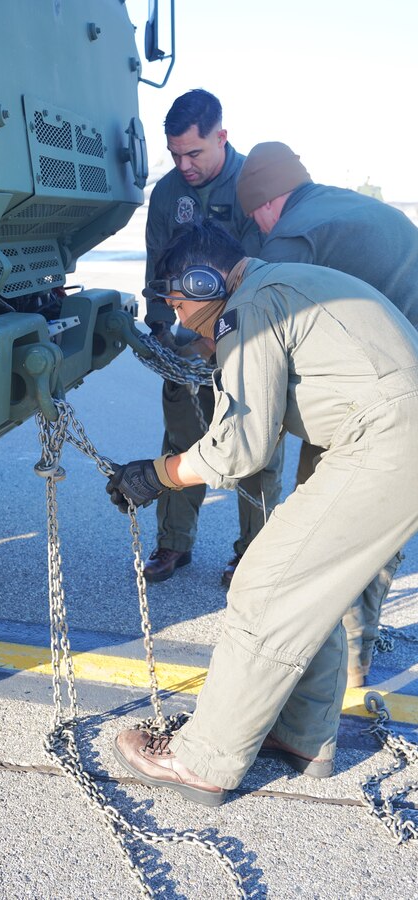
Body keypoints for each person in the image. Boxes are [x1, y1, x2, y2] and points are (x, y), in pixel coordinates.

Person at [106, 220, 418, 806]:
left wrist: (158, 473)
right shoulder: (278, 286)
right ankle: (299, 733)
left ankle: (202, 761)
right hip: (389, 437)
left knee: (267, 585)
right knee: (312, 587)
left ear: (204, 282)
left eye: (178, 302)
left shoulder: (247, 308)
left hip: (384, 442)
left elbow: (240, 448)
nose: (177, 319)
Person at [231, 141, 418, 686]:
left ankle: (342, 656)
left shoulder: (292, 235)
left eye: (254, 217)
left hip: (385, 392)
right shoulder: (347, 207)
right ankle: (355, 641)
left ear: (265, 203)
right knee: (385, 518)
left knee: (331, 518)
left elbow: (270, 324)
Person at [142, 89, 278, 584]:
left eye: (194, 153)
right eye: (176, 154)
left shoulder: (251, 186)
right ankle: (173, 544)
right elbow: (158, 263)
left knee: (255, 446)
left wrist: (219, 340)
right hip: (187, 332)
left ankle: (252, 555)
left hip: (250, 334)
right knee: (182, 436)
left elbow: (265, 271)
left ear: (222, 136)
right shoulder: (167, 193)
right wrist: (158, 330)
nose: (185, 164)